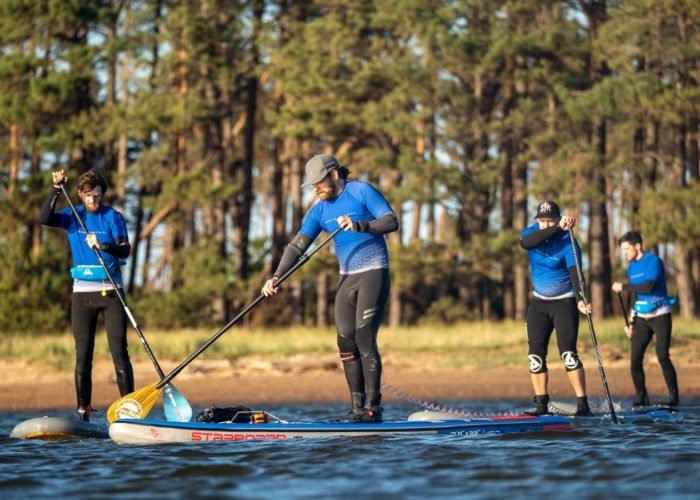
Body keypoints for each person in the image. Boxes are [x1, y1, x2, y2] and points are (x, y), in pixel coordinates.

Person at [262, 154, 398, 422]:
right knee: (345, 342)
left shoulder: (361, 191)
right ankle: (357, 410)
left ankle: (373, 409)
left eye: (318, 182)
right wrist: (277, 276)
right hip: (347, 277)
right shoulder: (319, 211)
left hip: (374, 272)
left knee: (364, 337)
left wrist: (361, 225)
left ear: (334, 175)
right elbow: (297, 246)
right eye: (311, 184)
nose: (315, 188)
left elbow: (391, 221)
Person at [40, 169, 135, 421]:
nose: (93, 199)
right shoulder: (73, 215)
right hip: (83, 294)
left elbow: (125, 251)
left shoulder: (113, 217)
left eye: (97, 195)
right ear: (80, 195)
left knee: (120, 352)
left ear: (102, 194)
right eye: (88, 195)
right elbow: (45, 218)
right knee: (83, 357)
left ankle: (129, 411)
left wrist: (103, 246)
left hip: (112, 292)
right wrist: (57, 189)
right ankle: (84, 410)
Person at [519, 200, 594, 417]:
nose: (543, 224)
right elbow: (526, 243)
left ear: (557, 218)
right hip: (538, 303)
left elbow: (576, 273)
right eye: (541, 221)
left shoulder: (568, 242)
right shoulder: (531, 233)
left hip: (564, 302)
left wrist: (582, 299)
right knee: (535, 356)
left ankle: (583, 405)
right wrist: (556, 226)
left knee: (568, 355)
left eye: (548, 220)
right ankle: (541, 405)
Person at [612, 231, 679, 407]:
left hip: (661, 315)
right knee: (635, 360)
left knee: (662, 356)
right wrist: (631, 322)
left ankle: (674, 398)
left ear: (637, 246)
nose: (624, 253)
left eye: (626, 249)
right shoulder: (630, 268)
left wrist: (623, 286)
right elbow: (634, 296)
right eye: (623, 250)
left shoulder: (653, 261)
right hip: (641, 318)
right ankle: (641, 399)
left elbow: (648, 287)